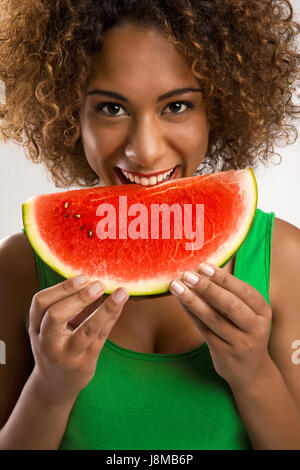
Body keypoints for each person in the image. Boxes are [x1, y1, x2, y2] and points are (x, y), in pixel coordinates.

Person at [0, 0, 300, 451]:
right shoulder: (21, 266)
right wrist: (50, 388)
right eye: (111, 109)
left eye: (177, 105)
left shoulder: (285, 258)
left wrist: (253, 371)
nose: (145, 151)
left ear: (214, 112)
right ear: (70, 116)